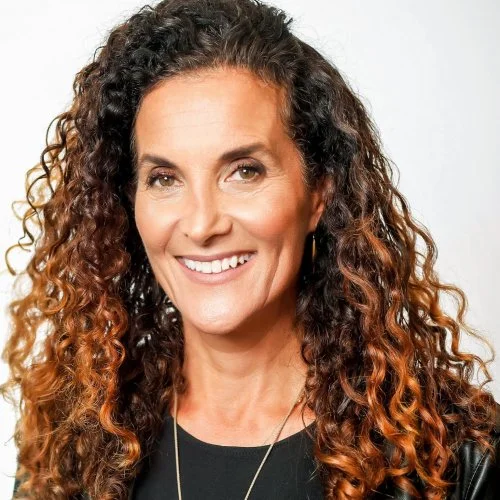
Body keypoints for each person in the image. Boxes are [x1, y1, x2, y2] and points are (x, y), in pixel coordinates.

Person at [2, 0, 499, 498]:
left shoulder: (451, 455)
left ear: (318, 194)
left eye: (244, 171)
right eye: (165, 178)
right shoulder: (71, 443)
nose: (202, 224)